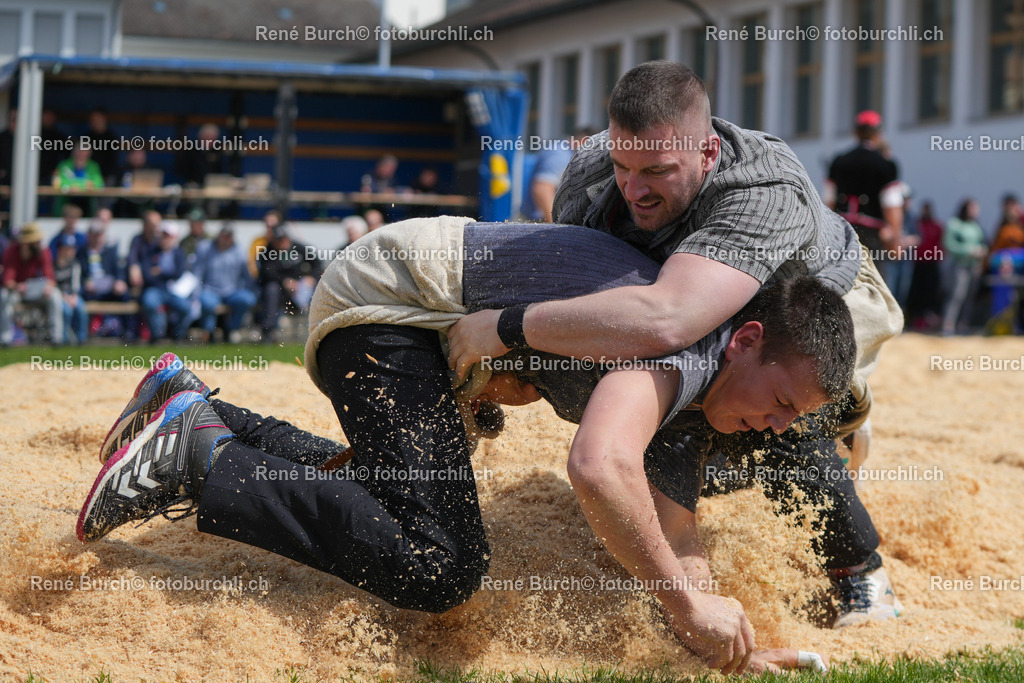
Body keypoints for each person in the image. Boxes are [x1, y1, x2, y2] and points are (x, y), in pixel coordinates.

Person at [77, 219, 848, 676]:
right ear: (747, 340)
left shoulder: (704, 380)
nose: (778, 426)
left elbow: (674, 526)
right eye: (781, 401)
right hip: (393, 304)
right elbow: (598, 465)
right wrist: (685, 602)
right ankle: (197, 458)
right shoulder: (680, 344)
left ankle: (205, 413)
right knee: (440, 561)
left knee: (392, 499)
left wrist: (717, 630)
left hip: (412, 300)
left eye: (795, 418)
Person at [447, 61, 904, 629]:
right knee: (673, 399)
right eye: (623, 166)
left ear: (707, 154)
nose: (634, 188)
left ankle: (859, 567)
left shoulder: (764, 193)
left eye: (657, 171)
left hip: (816, 298)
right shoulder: (591, 176)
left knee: (777, 407)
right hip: (680, 299)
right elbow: (598, 306)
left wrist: (507, 327)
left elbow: (670, 319)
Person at [824, 110, 906, 282]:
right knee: (874, 283)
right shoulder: (885, 164)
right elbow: (892, 206)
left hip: (842, 230)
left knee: (841, 281)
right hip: (872, 235)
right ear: (878, 134)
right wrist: (895, 240)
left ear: (856, 133)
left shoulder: (839, 161)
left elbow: (829, 201)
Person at [255, 224, 321, 342]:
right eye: (278, 240)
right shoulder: (266, 253)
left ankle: (315, 331)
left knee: (314, 289)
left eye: (284, 239)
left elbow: (317, 264)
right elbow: (267, 273)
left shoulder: (299, 248)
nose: (282, 243)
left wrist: (311, 277)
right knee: (272, 289)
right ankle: (268, 331)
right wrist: (284, 282)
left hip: (300, 289)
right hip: (279, 290)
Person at [0, 223, 64, 345]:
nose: (38, 243)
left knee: (55, 295)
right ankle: (5, 338)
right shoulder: (12, 252)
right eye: (35, 241)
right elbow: (7, 281)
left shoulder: (43, 251)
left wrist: (48, 287)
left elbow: (50, 278)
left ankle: (56, 338)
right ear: (25, 244)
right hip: (18, 292)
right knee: (3, 296)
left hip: (37, 291)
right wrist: (18, 286)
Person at [193, 223, 255, 342]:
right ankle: (209, 332)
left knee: (247, 299)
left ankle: (231, 330)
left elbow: (247, 276)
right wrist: (196, 294)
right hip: (210, 290)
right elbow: (198, 273)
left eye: (229, 236)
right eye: (224, 235)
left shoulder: (239, 251)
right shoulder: (205, 248)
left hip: (232, 292)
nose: (226, 238)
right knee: (207, 302)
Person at [520, 128, 596, 222]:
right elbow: (542, 189)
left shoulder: (562, 151)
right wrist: (556, 225)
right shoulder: (561, 156)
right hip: (536, 220)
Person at [139, 221, 193, 342]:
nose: (164, 239)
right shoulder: (150, 251)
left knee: (186, 307)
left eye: (167, 236)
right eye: (163, 235)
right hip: (155, 289)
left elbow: (179, 273)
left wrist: (160, 272)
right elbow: (147, 275)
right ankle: (157, 335)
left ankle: (178, 335)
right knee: (150, 302)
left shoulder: (179, 253)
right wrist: (167, 274)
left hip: (173, 290)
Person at [942, 199, 988, 335]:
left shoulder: (975, 226)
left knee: (970, 297)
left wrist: (982, 250)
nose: (976, 211)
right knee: (957, 295)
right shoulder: (954, 224)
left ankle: (964, 324)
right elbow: (948, 244)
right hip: (959, 265)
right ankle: (948, 324)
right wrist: (968, 250)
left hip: (974, 266)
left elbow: (982, 242)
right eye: (973, 208)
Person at [905, 201, 945, 331]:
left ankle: (929, 319)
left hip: (932, 264)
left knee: (931, 293)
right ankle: (916, 318)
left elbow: (941, 244)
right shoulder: (917, 224)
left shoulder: (937, 226)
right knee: (916, 293)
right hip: (918, 264)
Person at [52, 140, 105, 216]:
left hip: (87, 201)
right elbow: (59, 182)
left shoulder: (93, 166)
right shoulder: (64, 165)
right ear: (74, 153)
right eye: (79, 152)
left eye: (84, 153)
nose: (81, 155)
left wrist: (78, 186)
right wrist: (82, 185)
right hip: (68, 199)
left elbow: (99, 183)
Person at [53, 233, 88, 344]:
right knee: (66, 311)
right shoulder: (53, 265)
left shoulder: (75, 264)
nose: (71, 251)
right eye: (67, 248)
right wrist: (64, 297)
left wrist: (74, 296)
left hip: (72, 294)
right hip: (60, 295)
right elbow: (53, 284)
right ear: (60, 249)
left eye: (72, 249)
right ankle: (65, 338)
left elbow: (76, 284)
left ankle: (81, 339)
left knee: (81, 309)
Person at [84, 108, 120, 185]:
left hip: (107, 175)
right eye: (93, 120)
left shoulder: (111, 137)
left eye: (98, 119)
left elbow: (112, 160)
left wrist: (103, 176)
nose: (95, 122)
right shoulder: (87, 137)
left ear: (104, 119)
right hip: (90, 175)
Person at [247, 209, 282, 279]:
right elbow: (251, 261)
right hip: (262, 278)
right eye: (267, 222)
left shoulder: (284, 241)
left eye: (272, 222)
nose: (269, 224)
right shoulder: (258, 241)